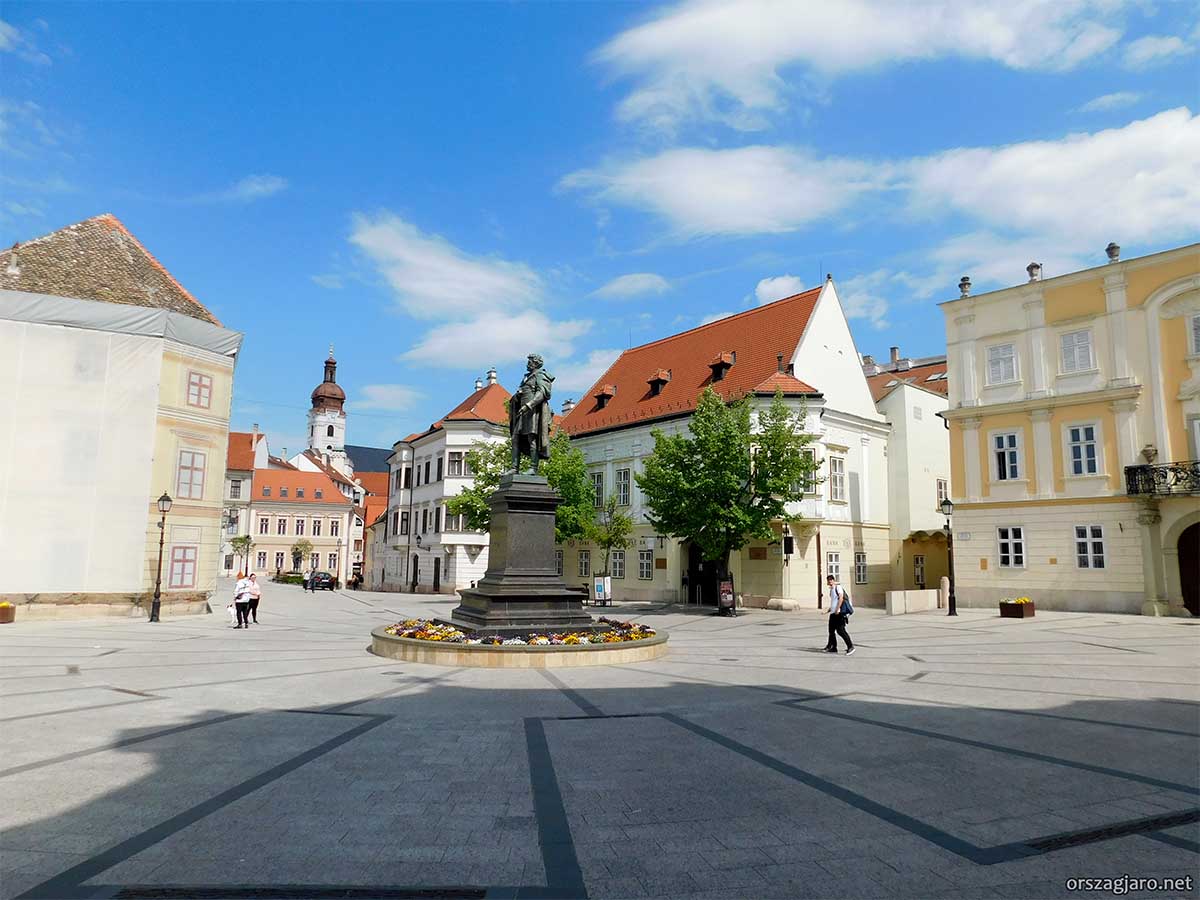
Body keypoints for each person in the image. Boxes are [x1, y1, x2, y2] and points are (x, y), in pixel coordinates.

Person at [824, 574, 855, 655]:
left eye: (831, 580)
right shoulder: (831, 590)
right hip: (833, 614)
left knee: (841, 631)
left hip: (839, 613)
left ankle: (850, 646)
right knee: (831, 631)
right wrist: (829, 610)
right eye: (828, 580)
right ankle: (833, 647)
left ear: (834, 580)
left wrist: (837, 609)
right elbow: (834, 601)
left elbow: (841, 598)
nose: (830, 582)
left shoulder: (838, 587)